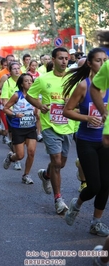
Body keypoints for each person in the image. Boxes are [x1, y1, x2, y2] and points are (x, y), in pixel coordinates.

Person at [62, 47, 109, 237]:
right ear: (90, 63)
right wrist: (88, 118)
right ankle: (77, 203)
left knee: (106, 184)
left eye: (105, 60)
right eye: (98, 60)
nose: (103, 63)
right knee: (95, 185)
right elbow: (67, 111)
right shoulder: (84, 85)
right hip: (86, 140)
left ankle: (96, 223)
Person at [26, 47, 74, 214]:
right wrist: (40, 105)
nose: (64, 61)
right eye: (60, 58)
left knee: (61, 163)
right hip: (49, 125)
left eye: (66, 58)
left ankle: (46, 175)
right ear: (52, 60)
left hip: (68, 125)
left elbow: (81, 97)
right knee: (56, 160)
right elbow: (29, 95)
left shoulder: (72, 78)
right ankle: (58, 199)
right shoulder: (43, 79)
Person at [2, 73, 37, 184]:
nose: (29, 82)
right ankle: (11, 157)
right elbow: (5, 108)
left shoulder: (35, 95)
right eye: (26, 81)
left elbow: (39, 107)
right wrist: (15, 114)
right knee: (20, 155)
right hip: (18, 127)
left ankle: (26, 175)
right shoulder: (17, 95)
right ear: (22, 84)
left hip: (31, 127)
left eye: (31, 80)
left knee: (31, 152)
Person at [0, 61, 23, 170]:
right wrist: (12, 112)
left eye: (18, 68)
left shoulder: (24, 81)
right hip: (13, 114)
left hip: (25, 114)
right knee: (15, 138)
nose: (17, 70)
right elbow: (4, 101)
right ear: (10, 71)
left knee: (25, 140)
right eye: (14, 68)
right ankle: (17, 159)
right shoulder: (7, 83)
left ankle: (14, 154)